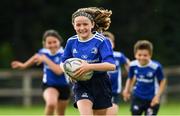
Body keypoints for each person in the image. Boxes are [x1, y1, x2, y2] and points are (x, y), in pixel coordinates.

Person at [60, 7, 116, 115]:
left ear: (92, 24)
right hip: (81, 84)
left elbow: (111, 65)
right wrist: (68, 73)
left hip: (100, 83)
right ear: (73, 25)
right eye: (78, 25)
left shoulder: (102, 41)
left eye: (85, 24)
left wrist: (89, 67)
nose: (82, 28)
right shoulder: (71, 41)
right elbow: (63, 62)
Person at [11, 29, 71, 116]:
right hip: (49, 85)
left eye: (54, 42)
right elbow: (35, 57)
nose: (52, 45)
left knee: (60, 114)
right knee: (51, 104)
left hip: (64, 86)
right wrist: (23, 65)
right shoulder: (43, 52)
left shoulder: (65, 54)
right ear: (45, 44)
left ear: (60, 41)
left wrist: (45, 59)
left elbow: (58, 71)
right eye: (49, 43)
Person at [122, 40, 166, 116]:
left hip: (152, 99)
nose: (142, 57)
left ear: (150, 55)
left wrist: (157, 97)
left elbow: (162, 81)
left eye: (145, 55)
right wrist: (126, 90)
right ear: (135, 55)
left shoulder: (156, 67)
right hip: (137, 97)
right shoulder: (133, 65)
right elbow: (130, 78)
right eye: (139, 55)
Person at [103, 31, 130, 115]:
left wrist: (131, 74)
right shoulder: (97, 56)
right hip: (100, 90)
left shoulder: (118, 55)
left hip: (113, 92)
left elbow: (128, 63)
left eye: (109, 42)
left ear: (113, 44)